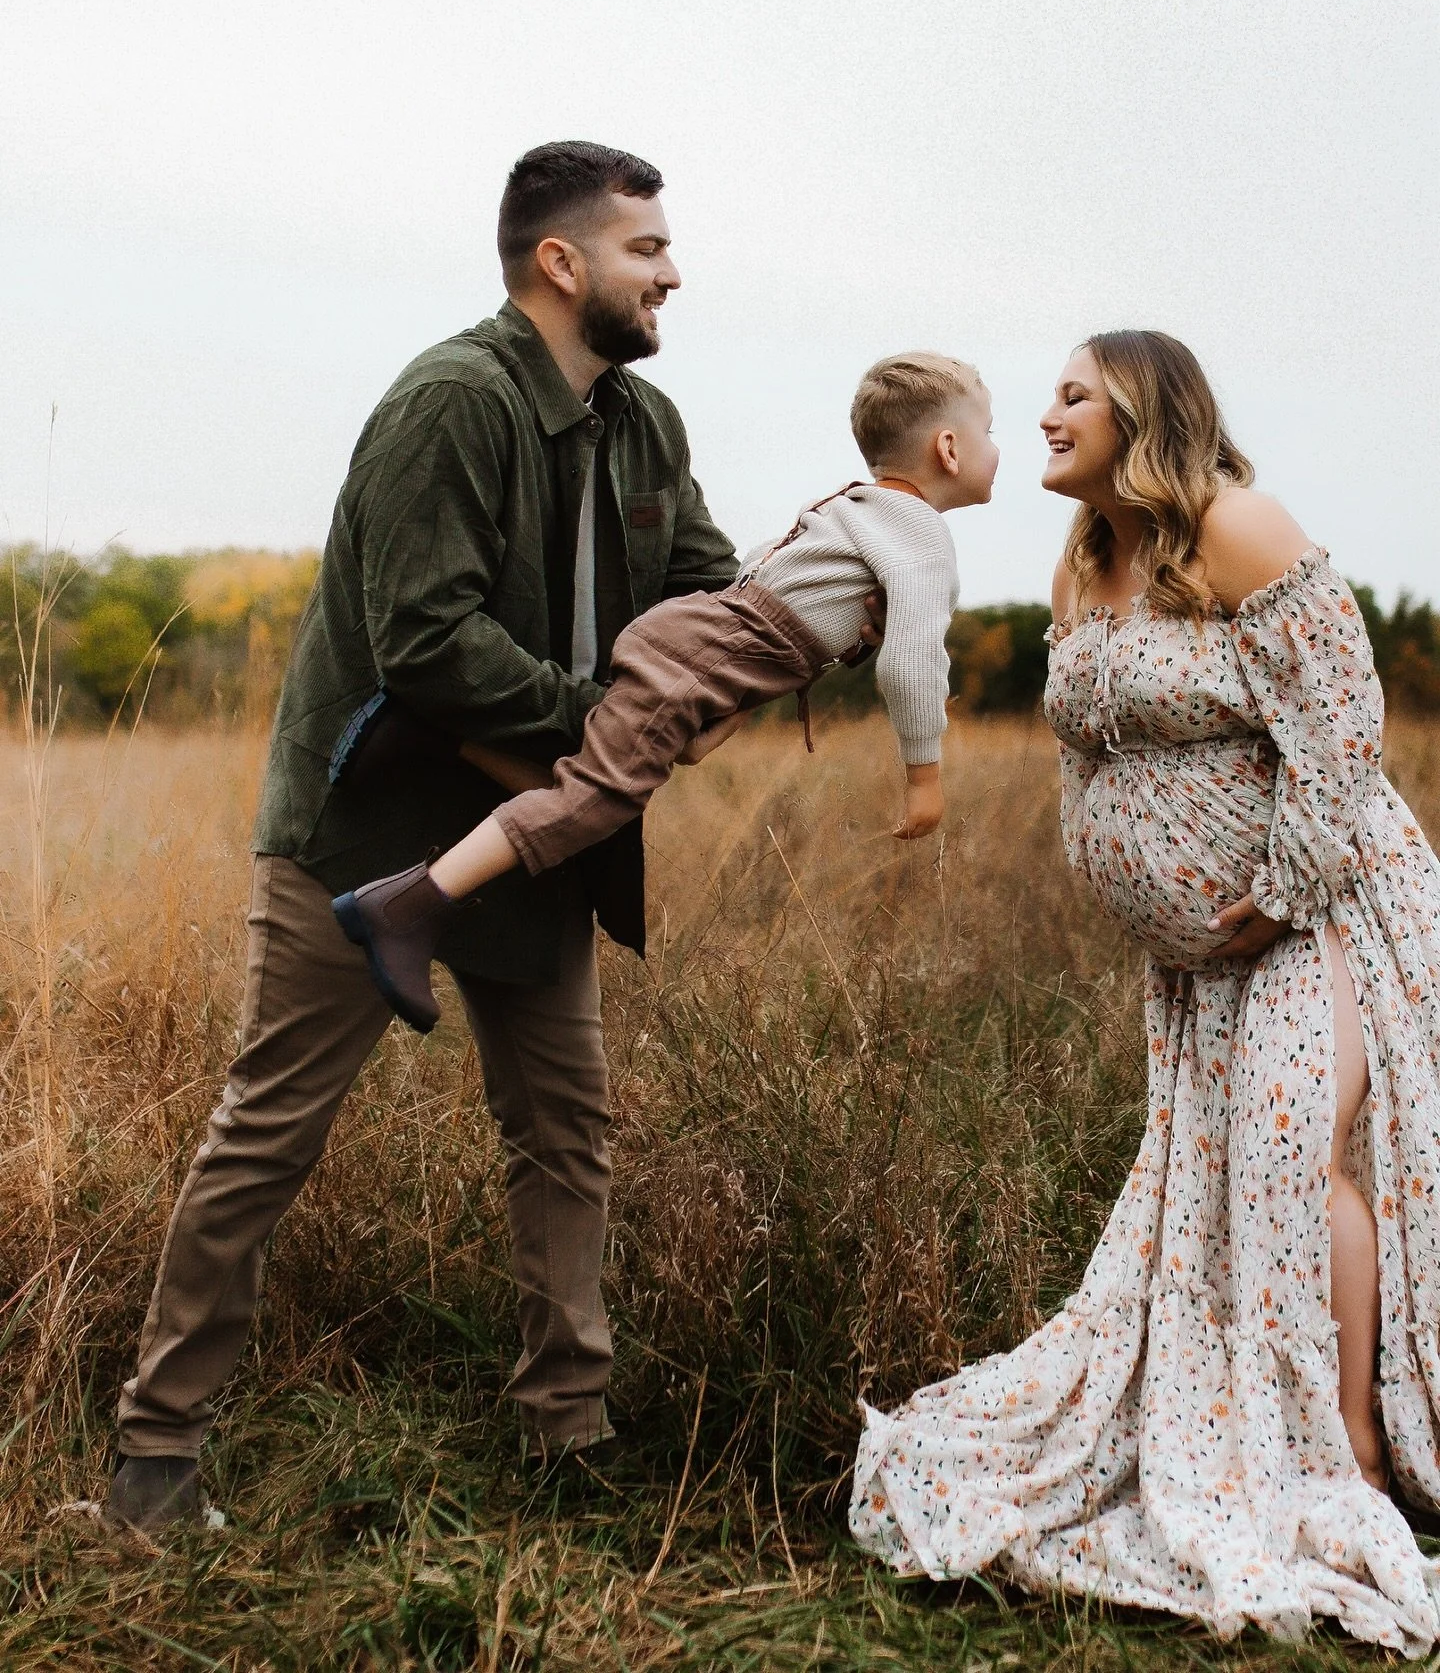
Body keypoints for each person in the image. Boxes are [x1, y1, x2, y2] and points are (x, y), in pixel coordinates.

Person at [104, 141, 744, 1533]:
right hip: (367, 839)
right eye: (647, 250)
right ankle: (154, 1467)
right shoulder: (450, 401)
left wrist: (758, 645)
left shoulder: (648, 427)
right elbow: (428, 642)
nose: (674, 271)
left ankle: (565, 1444)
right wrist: (613, 727)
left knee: (567, 1137)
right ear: (560, 264)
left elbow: (710, 593)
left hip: (534, 844)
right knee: (267, 1139)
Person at [852, 330, 1440, 1653]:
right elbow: (1090, 743)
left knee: (1297, 1160)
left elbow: (1344, 726)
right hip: (1194, 964)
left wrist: (1282, 892)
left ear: (1144, 406)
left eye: (1070, 392)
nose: (1044, 414)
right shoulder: (1084, 558)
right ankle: (1282, 1427)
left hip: (1324, 911)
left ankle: (1349, 1450)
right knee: (1231, 1182)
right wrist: (1134, 887)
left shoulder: (1238, 527)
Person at [332, 352, 998, 1035]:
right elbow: (914, 662)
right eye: (992, 431)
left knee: (590, 783)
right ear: (948, 447)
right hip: (698, 662)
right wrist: (924, 776)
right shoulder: (920, 534)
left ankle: (434, 736)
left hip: (695, 646)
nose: (999, 448)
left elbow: (767, 572)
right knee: (595, 800)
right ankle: (403, 909)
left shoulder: (856, 504)